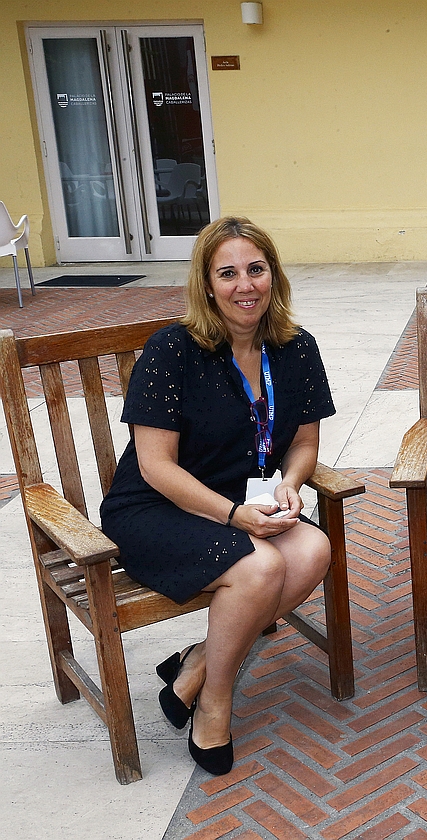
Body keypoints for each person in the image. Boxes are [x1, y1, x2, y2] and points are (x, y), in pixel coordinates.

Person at [100, 217, 336, 776]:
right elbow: (155, 467)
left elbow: (304, 441)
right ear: (207, 284)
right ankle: (215, 702)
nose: (244, 285)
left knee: (312, 550)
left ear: (273, 277)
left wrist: (290, 483)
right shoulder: (173, 350)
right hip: (156, 509)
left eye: (256, 270)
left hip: (241, 503)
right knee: (258, 569)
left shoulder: (296, 349)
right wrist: (235, 515)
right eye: (227, 273)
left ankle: (199, 663)